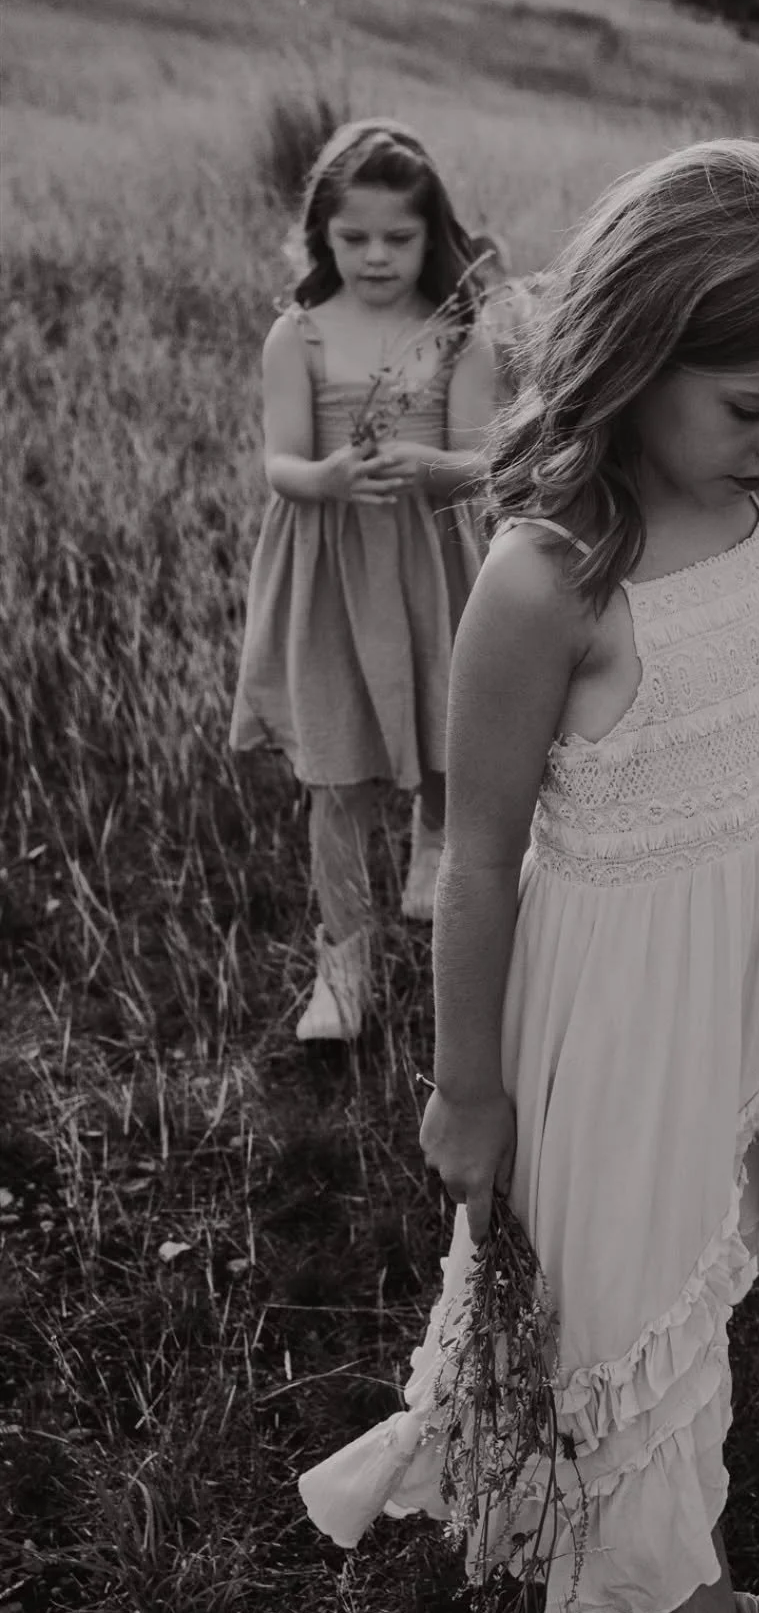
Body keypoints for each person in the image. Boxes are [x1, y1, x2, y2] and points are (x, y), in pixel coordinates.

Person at [297, 140, 759, 1613]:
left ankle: (619, 1558)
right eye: (751, 407)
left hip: (733, 970)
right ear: (636, 352)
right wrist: (467, 1086)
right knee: (614, 1306)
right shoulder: (548, 584)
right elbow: (479, 860)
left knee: (672, 1264)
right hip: (609, 1004)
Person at [230, 118, 501, 1042]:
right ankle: (341, 972)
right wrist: (332, 479)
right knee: (335, 773)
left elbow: (478, 466)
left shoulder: (458, 336)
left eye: (400, 237)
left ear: (435, 237)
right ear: (321, 237)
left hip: (431, 561)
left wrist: (423, 461)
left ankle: (434, 839)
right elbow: (280, 465)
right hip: (333, 574)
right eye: (354, 238)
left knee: (445, 729)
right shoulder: (297, 337)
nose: (377, 256)